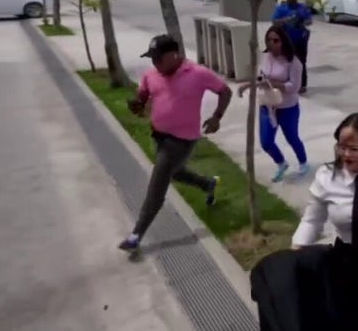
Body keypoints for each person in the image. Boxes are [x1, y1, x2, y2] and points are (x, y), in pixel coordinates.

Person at [290, 113, 358, 331]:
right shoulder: (327, 177)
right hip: (344, 263)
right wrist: (296, 250)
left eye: (354, 149)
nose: (346, 155)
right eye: (341, 147)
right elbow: (312, 221)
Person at [119, 34, 232, 252]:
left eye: (159, 58)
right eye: (152, 58)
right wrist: (137, 104)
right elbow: (142, 95)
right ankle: (208, 184)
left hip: (182, 140)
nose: (155, 63)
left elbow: (224, 91)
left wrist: (217, 116)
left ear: (174, 54)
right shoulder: (151, 74)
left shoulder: (197, 73)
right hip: (158, 135)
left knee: (158, 182)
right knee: (176, 172)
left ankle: (136, 235)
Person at [238, 25, 309, 182]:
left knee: (292, 137)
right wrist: (247, 85)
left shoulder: (294, 62)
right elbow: (261, 78)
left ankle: (303, 161)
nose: (271, 44)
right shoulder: (266, 57)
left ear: (283, 41)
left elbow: (295, 87)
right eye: (268, 40)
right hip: (267, 105)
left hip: (287, 107)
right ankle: (281, 163)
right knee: (266, 142)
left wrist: (277, 84)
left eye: (275, 40)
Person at [271, 0, 312, 94]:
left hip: (301, 39)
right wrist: (286, 20)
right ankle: (288, 83)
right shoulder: (282, 9)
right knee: (287, 61)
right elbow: (274, 22)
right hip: (287, 39)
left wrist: (302, 20)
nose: (293, 1)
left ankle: (302, 84)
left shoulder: (301, 8)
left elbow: (309, 21)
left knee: (301, 62)